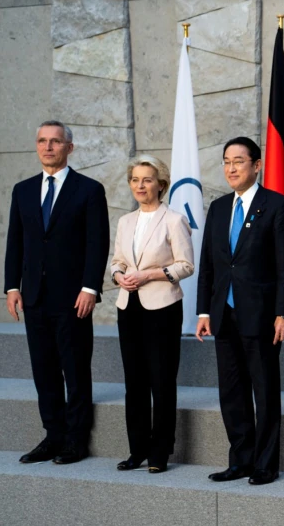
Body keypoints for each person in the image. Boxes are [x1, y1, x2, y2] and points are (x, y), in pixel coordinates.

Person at [5, 120, 110, 465]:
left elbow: (97, 243)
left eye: (55, 141)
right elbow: (15, 242)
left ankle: (76, 440)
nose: (48, 147)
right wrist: (12, 286)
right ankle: (53, 436)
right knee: (44, 370)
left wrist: (90, 287)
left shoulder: (89, 190)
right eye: (42, 141)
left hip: (73, 297)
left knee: (75, 370)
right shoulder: (22, 190)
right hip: (34, 296)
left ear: (69, 147)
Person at [195, 136, 284, 486]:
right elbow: (208, 264)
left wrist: (283, 312)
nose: (231, 168)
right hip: (223, 313)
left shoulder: (277, 205)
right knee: (232, 392)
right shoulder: (219, 207)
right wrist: (204, 311)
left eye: (238, 161)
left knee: (264, 391)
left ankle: (265, 464)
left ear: (257, 165)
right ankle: (240, 460)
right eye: (226, 161)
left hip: (262, 315)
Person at [110, 155, 194, 473]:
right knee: (134, 382)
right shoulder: (125, 221)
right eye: (135, 180)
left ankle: (160, 452)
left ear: (161, 184)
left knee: (161, 381)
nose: (140, 186)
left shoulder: (174, 219)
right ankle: (137, 450)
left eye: (147, 180)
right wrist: (119, 276)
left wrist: (148, 275)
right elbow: (117, 261)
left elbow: (186, 265)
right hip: (128, 306)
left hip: (163, 308)